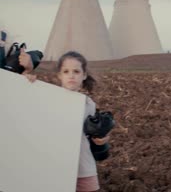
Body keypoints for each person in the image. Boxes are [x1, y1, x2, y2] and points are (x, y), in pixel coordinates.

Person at [29, 51, 110, 192]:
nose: (71, 75)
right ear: (59, 75)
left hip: (83, 165)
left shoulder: (89, 104)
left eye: (76, 71)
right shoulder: (48, 98)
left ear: (84, 75)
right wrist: (27, 80)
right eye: (66, 71)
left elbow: (90, 135)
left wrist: (101, 140)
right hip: (56, 165)